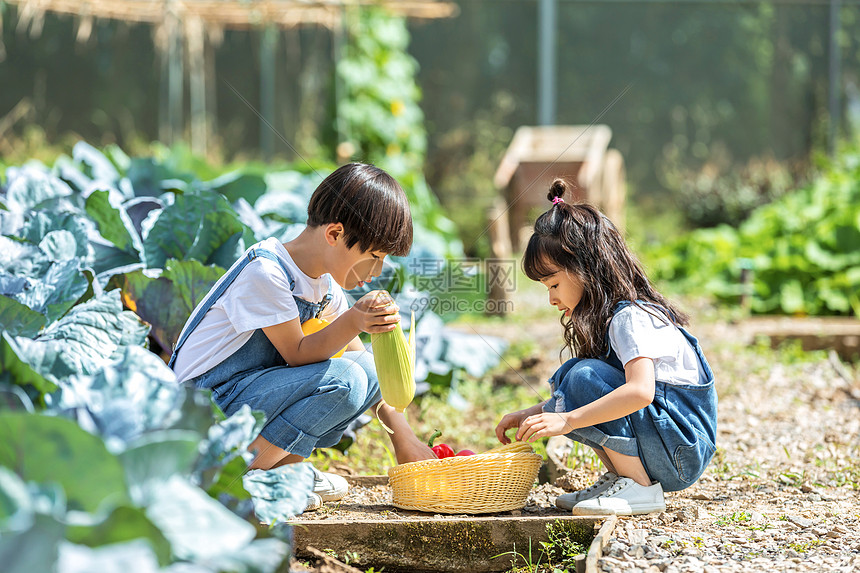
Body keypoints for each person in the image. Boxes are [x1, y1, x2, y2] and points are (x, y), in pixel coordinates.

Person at [170, 163, 435, 511]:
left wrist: (406, 441)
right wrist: (355, 319)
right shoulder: (266, 272)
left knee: (366, 373)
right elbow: (297, 353)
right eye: (374, 256)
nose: (377, 272)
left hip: (244, 397)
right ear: (335, 234)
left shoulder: (322, 284)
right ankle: (237, 474)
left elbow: (368, 369)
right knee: (345, 380)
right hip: (204, 408)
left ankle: (282, 469)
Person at [495, 180, 718, 516]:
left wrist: (566, 420)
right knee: (573, 375)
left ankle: (639, 486)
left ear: (586, 268)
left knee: (584, 376)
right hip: (670, 443)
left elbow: (641, 392)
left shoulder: (630, 317)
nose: (552, 298)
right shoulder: (613, 317)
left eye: (554, 284)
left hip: (681, 451)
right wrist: (530, 415)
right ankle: (621, 477)